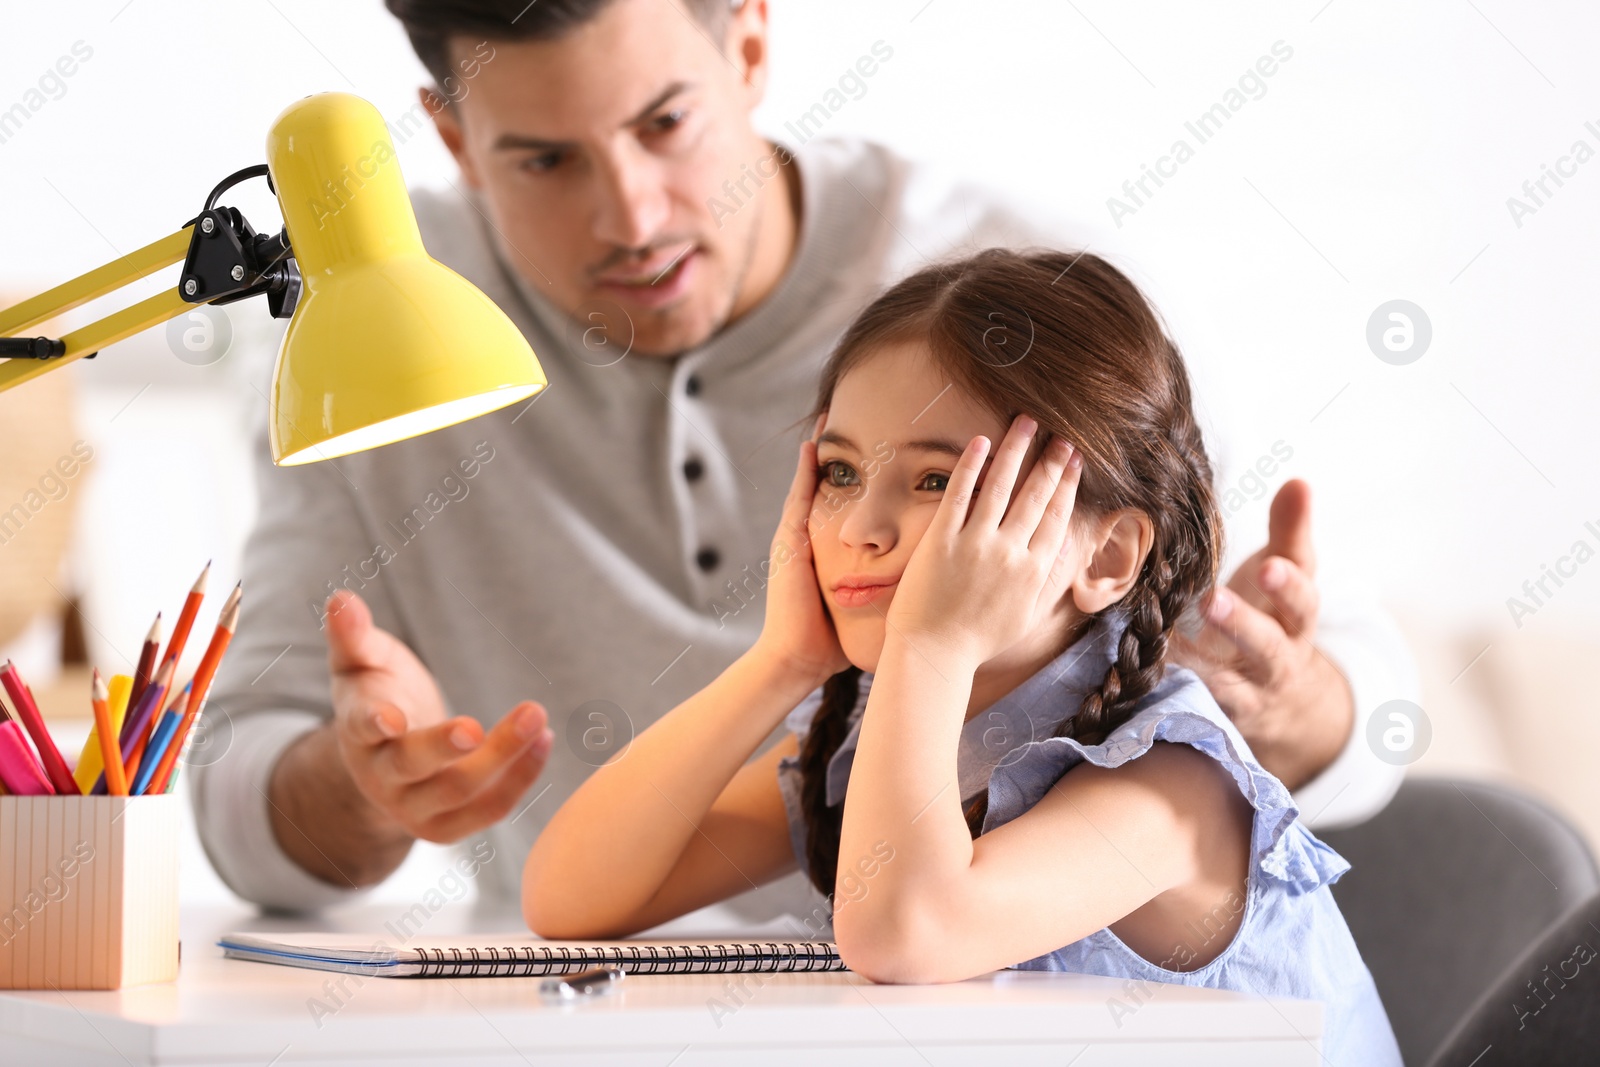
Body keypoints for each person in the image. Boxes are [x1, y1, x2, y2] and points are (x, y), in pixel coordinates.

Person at [191, 0, 1417, 915]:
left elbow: (1378, 708)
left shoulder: (1019, 293)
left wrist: (1299, 705)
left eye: (665, 124)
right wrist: (360, 784)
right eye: (545, 159)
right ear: (453, 140)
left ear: (750, 49)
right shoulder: (381, 331)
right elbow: (534, 880)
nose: (633, 214)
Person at [525, 248, 1402, 1064]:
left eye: (938, 481)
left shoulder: (1173, 783)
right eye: (839, 474)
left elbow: (906, 931)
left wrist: (933, 641)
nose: (861, 527)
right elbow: (571, 899)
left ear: (1104, 556)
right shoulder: (890, 742)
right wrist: (781, 662)